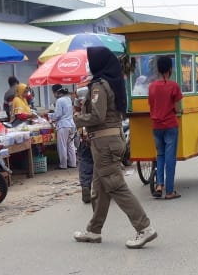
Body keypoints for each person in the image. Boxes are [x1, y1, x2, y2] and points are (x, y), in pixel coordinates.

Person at [73, 46, 156, 248]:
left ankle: (144, 228)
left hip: (104, 143)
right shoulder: (112, 82)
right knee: (100, 188)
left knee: (116, 187)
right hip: (108, 141)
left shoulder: (99, 86)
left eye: (90, 61)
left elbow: (98, 116)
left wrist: (78, 118)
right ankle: (94, 230)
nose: (88, 64)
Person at [149, 56, 184, 200]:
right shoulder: (174, 86)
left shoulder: (151, 86)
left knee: (160, 155)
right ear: (170, 69)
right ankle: (169, 191)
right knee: (170, 158)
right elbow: (177, 107)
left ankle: (159, 185)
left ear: (158, 69)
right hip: (170, 125)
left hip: (156, 126)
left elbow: (151, 105)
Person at [48, 85, 77, 170]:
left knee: (62, 146)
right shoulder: (68, 98)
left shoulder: (59, 101)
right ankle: (72, 163)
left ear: (57, 92)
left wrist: (49, 115)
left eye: (53, 93)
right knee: (70, 145)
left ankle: (63, 165)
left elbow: (58, 115)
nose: (53, 95)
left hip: (63, 126)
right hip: (71, 125)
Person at [74, 86, 94, 204]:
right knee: (100, 163)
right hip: (96, 133)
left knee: (85, 161)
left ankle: (86, 186)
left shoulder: (79, 91)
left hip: (83, 133)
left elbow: (76, 111)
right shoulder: (98, 88)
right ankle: (102, 190)